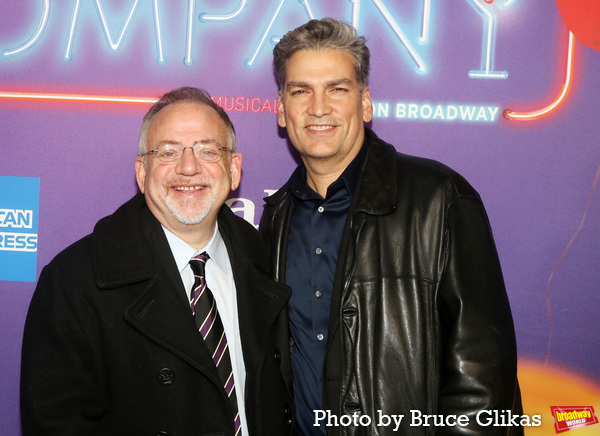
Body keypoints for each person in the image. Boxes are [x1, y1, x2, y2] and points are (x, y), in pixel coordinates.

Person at [260, 18, 523, 435]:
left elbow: (483, 379)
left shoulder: (439, 198)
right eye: (300, 90)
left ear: (365, 103)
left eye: (337, 88)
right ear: (281, 108)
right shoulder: (275, 218)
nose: (318, 107)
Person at [21, 87, 293, 436]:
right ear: (142, 171)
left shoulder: (265, 261)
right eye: (168, 152)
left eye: (208, 150)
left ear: (234, 169)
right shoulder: (74, 282)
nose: (189, 167)